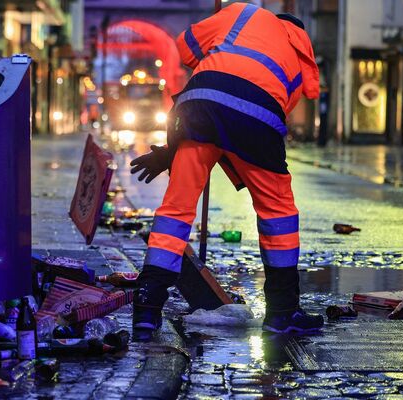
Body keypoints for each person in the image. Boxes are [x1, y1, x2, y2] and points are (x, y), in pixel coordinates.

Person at [129, 1, 323, 337]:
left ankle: (147, 307)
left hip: (198, 105)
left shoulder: (244, 13)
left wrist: (173, 153)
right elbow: (254, 122)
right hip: (257, 119)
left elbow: (185, 46)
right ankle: (282, 313)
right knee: (278, 213)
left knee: (176, 209)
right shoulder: (301, 66)